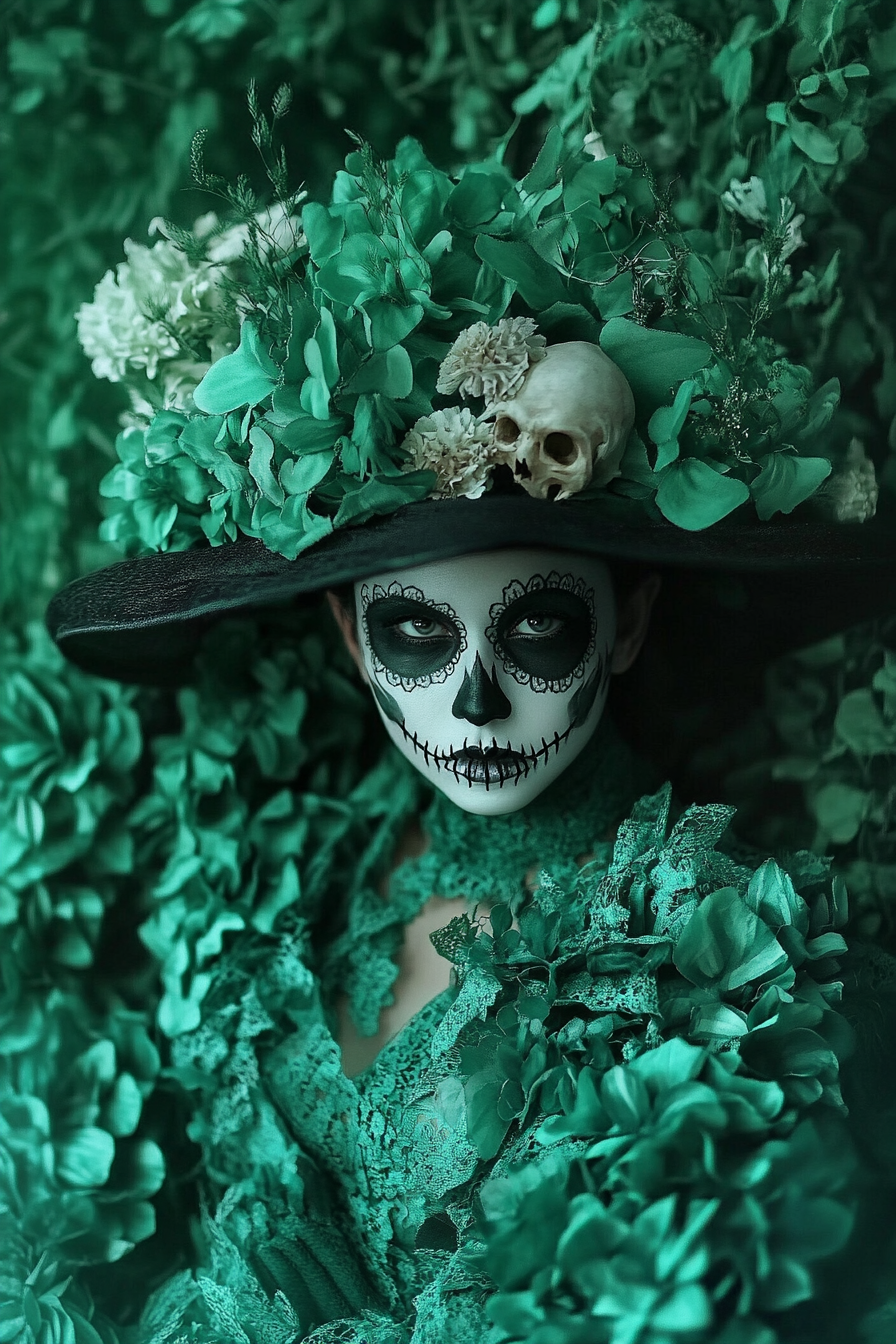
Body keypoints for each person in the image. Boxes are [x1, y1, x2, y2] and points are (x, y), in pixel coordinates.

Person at [46, 125, 896, 1341]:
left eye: (539, 631)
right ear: (348, 639)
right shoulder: (321, 865)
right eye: (412, 640)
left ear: (625, 623)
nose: (476, 702)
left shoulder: (726, 963)